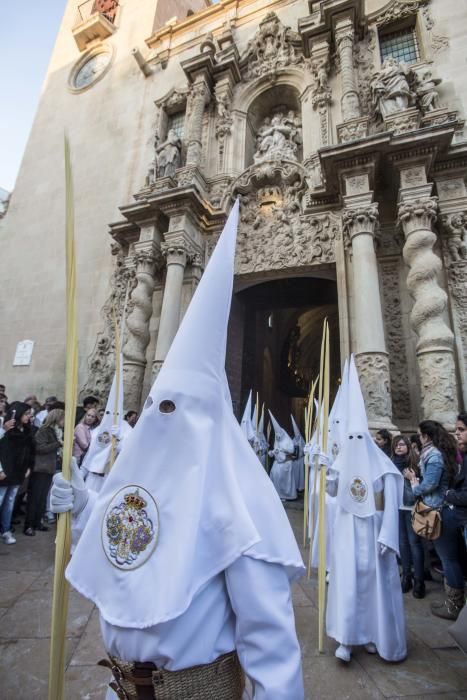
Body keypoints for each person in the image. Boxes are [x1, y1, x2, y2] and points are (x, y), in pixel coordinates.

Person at [51, 201, 305, 699]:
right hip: (119, 689)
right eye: (158, 407)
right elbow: (126, 534)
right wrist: (80, 503)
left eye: (179, 409)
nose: (163, 420)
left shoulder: (241, 505)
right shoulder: (142, 475)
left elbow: (272, 648)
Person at [326, 357, 406, 664]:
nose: (356, 442)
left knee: (375, 587)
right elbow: (334, 493)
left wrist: (388, 535)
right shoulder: (341, 463)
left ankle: (374, 634)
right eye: (352, 438)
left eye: (360, 437)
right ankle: (347, 638)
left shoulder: (382, 468)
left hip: (373, 535)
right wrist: (327, 472)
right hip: (348, 532)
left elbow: (391, 499)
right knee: (347, 584)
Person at [405, 420, 462, 619]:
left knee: (448, 559)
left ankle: (454, 605)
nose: (419, 439)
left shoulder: (434, 456)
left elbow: (430, 484)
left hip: (439, 511)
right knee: (450, 558)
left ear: (427, 436)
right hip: (442, 509)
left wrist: (414, 484)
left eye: (420, 435)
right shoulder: (436, 454)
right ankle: (454, 602)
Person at [391, 435, 425, 598]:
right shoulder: (390, 463)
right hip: (396, 506)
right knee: (402, 543)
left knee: (414, 543)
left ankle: (419, 581)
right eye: (396, 445)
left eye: (402, 444)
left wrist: (411, 478)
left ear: (408, 447)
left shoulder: (414, 463)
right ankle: (406, 576)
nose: (399, 447)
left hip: (411, 507)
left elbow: (421, 486)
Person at [23, 408, 64, 535]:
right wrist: (58, 444)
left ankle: (37, 522)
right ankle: (28, 525)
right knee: (35, 498)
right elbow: (40, 448)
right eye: (63, 419)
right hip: (40, 468)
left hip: (48, 468)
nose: (64, 421)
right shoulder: (44, 430)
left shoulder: (56, 431)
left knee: (41, 498)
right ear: (56, 418)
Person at [0, 402, 35, 545]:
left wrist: (28, 467)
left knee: (9, 503)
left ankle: (5, 531)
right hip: (4, 473)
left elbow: (29, 452)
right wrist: (0, 469)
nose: (29, 416)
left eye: (30, 414)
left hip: (17, 473)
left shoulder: (26, 431)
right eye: (27, 414)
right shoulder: (6, 430)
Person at [268, 412, 297, 501]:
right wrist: (273, 451)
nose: (278, 437)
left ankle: (285, 495)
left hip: (286, 463)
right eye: (277, 436)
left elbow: (291, 450)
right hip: (278, 462)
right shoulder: (277, 440)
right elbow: (273, 451)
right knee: (274, 473)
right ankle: (277, 494)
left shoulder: (288, 440)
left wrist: (282, 449)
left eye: (279, 435)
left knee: (282, 478)